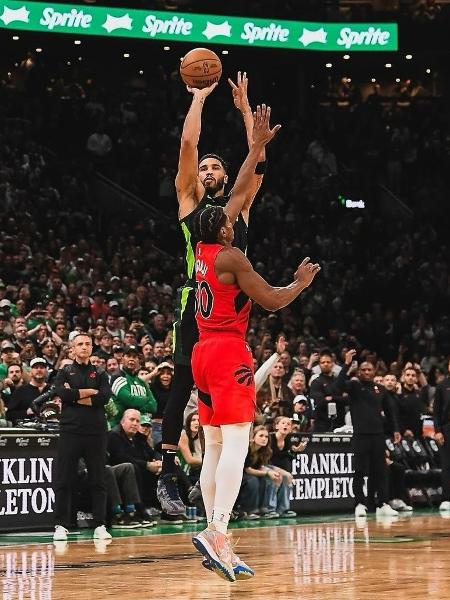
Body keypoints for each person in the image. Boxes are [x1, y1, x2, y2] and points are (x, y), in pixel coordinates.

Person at [158, 73, 278, 516]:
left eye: (215, 167)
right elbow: (188, 147)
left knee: (222, 410)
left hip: (235, 301)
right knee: (183, 381)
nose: (207, 170)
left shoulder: (239, 206)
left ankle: (211, 484)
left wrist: (246, 109)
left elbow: (257, 160)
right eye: (204, 168)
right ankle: (168, 472)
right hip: (197, 301)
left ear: (227, 177)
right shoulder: (189, 201)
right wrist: (199, 98)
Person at [190, 200, 320, 581]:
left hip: (201, 352)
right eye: (229, 221)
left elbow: (233, 201)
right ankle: (217, 531)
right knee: (237, 443)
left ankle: (219, 538)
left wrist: (256, 151)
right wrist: (300, 283)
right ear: (225, 231)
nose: (233, 221)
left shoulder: (202, 250)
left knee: (214, 446)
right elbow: (272, 300)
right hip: (229, 352)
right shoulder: (231, 257)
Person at [53, 333, 112, 542]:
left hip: (96, 432)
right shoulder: (64, 371)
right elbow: (62, 394)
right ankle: (61, 524)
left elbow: (104, 398)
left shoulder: (101, 372)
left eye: (88, 344)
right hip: (70, 431)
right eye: (80, 344)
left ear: (92, 347)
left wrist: (76, 394)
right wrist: (90, 393)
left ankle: (100, 525)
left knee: (98, 479)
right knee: (64, 479)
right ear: (72, 348)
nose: (84, 347)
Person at [337, 352, 401, 519]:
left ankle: (382, 504)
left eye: (369, 370)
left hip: (378, 435)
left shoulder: (380, 389)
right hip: (360, 435)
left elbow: (389, 411)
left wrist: (395, 429)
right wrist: (346, 364)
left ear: (374, 372)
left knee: (381, 470)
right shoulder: (354, 387)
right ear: (359, 372)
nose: (366, 372)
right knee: (359, 471)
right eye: (363, 370)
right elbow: (338, 385)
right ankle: (359, 503)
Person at [110, 345, 157, 426]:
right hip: (119, 427)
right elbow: (129, 400)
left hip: (139, 427)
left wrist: (135, 403)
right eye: (128, 356)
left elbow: (153, 407)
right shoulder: (117, 377)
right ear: (122, 359)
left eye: (134, 357)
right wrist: (146, 400)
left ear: (138, 361)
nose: (131, 359)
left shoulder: (141, 382)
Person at [6, 358, 50, 424]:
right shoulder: (20, 391)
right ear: (30, 372)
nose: (39, 369)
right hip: (27, 431)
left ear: (46, 371)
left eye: (42, 367)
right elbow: (9, 414)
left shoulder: (53, 390)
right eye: (36, 367)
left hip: (52, 430)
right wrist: (26, 412)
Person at [433, 358, 450, 511]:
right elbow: (436, 412)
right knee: (447, 464)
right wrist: (437, 431)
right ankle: (446, 498)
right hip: (447, 428)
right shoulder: (442, 386)